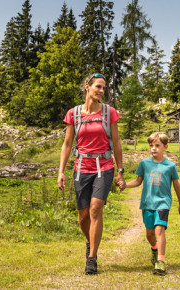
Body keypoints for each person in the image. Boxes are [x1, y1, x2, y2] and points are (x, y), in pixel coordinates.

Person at [58, 73, 125, 274]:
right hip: (81, 168)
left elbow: (117, 142)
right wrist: (61, 171)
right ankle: (90, 242)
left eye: (104, 88)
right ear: (87, 87)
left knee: (96, 209)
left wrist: (120, 171)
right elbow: (68, 143)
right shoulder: (74, 114)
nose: (102, 91)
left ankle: (92, 259)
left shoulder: (109, 112)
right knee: (83, 217)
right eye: (98, 87)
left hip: (104, 166)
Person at [121, 132, 180, 275]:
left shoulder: (170, 166)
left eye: (157, 145)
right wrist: (125, 185)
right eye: (151, 146)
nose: (153, 148)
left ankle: (161, 261)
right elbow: (138, 181)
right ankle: (154, 249)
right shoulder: (144, 164)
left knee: (159, 230)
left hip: (163, 203)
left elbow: (177, 185)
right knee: (150, 234)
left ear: (165, 147)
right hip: (147, 203)